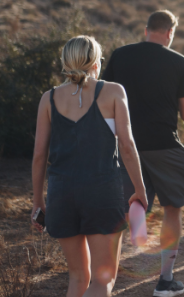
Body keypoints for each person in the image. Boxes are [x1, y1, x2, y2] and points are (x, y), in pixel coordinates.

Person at [31, 36, 148, 297]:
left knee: (77, 277)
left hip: (61, 195)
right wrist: (140, 190)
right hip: (102, 193)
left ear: (65, 62)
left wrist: (38, 200)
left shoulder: (48, 99)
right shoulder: (114, 91)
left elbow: (39, 155)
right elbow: (127, 147)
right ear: (96, 62)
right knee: (102, 280)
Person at [102, 10, 184, 296]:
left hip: (126, 145)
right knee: (173, 207)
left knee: (134, 196)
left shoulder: (120, 55)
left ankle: (106, 277)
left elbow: (105, 99)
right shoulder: (180, 61)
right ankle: (165, 281)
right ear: (170, 32)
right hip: (163, 146)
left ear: (146, 30)